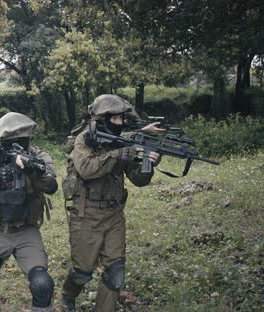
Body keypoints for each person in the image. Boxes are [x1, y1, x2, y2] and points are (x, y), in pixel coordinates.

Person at [60, 94, 163, 312]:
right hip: (85, 214)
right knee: (82, 272)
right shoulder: (84, 140)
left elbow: (138, 180)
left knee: (115, 272)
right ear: (103, 119)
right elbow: (86, 169)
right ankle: (68, 295)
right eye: (115, 119)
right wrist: (122, 154)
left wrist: (148, 163)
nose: (121, 123)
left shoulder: (123, 142)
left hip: (114, 215)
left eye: (123, 119)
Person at [0, 112, 58, 312]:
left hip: (26, 231)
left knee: (42, 285)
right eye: (9, 142)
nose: (15, 147)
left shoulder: (38, 156)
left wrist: (34, 170)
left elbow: (52, 186)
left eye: (20, 142)